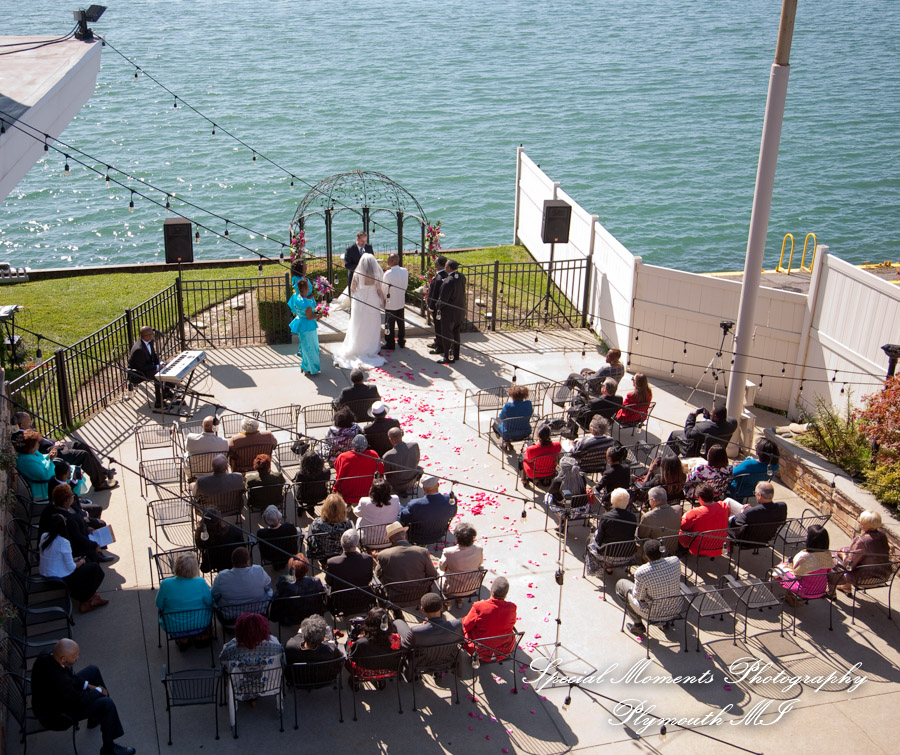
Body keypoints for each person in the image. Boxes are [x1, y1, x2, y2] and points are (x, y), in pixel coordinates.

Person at [31, 638, 135, 755]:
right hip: (57, 715)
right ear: (63, 659)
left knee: (93, 670)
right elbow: (78, 700)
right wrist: (98, 691)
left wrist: (89, 686)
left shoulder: (49, 655)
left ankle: (95, 717)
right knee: (107, 704)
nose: (77, 658)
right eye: (74, 656)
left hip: (58, 698)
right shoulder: (59, 679)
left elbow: (70, 678)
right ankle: (109, 749)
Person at [13, 412, 116, 491]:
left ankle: (101, 471)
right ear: (21, 425)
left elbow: (44, 439)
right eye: (29, 421)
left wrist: (55, 442)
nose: (31, 422)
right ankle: (99, 483)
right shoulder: (22, 438)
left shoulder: (28, 430)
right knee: (83, 455)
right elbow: (38, 448)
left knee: (80, 445)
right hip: (53, 452)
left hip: (54, 446)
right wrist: (53, 449)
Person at [39, 514, 107, 614]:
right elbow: (71, 568)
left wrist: (76, 559)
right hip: (58, 579)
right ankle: (86, 600)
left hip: (46, 574)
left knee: (87, 562)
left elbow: (56, 557)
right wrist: (81, 561)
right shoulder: (63, 542)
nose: (66, 519)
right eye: (64, 520)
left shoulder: (44, 536)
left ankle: (94, 596)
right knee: (95, 569)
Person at [615, 538, 683, 636]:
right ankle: (663, 623)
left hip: (653, 613)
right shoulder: (675, 561)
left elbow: (638, 597)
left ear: (646, 556)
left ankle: (638, 624)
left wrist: (633, 588)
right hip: (676, 608)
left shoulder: (642, 572)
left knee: (621, 585)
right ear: (662, 551)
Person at [333, 252, 386, 370]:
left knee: (358, 324)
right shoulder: (376, 273)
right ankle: (371, 347)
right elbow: (379, 290)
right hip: (373, 300)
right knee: (372, 324)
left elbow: (352, 288)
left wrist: (360, 294)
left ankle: (357, 346)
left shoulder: (357, 272)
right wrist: (383, 302)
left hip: (360, 300)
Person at [38, 483, 112, 563]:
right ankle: (97, 554)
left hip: (82, 529)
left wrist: (87, 527)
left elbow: (80, 515)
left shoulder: (68, 506)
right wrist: (94, 545)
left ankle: (99, 551)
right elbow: (78, 538)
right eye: (71, 496)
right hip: (75, 545)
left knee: (100, 524)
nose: (73, 497)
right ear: (66, 500)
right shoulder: (65, 519)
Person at [219, 613, 284, 698]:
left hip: (239, 688)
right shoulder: (277, 647)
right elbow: (283, 662)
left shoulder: (228, 650)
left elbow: (223, 665)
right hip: (269, 686)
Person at [155, 551, 213, 646]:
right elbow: (209, 602)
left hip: (173, 626)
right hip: (200, 624)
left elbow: (159, 604)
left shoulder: (166, 584)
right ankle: (200, 636)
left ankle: (183, 640)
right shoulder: (201, 582)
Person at [830, 510, 891, 595]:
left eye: (860, 521)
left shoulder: (862, 541)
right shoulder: (882, 535)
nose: (859, 523)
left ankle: (831, 592)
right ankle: (845, 587)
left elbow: (848, 565)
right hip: (883, 575)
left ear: (864, 525)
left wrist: (843, 555)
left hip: (865, 579)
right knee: (846, 549)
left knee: (832, 557)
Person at [773, 525, 833, 606]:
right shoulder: (828, 555)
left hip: (803, 591)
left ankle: (790, 598)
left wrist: (787, 564)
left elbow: (797, 574)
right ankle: (791, 597)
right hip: (821, 590)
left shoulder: (804, 557)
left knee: (780, 568)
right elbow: (828, 571)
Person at [462, 576, 517, 660]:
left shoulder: (479, 606)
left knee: (461, 624)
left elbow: (466, 624)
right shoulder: (512, 607)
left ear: (491, 591)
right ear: (506, 594)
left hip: (479, 650)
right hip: (504, 650)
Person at [345, 607, 405, 679]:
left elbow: (353, 657)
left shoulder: (361, 643)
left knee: (348, 644)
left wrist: (350, 641)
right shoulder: (396, 639)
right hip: (389, 670)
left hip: (365, 672)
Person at [270, 554, 326, 624]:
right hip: (310, 615)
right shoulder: (315, 582)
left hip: (291, 618)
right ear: (307, 569)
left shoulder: (283, 582)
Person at [677, 484, 730, 556]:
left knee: (678, 531)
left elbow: (682, 526)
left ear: (700, 498)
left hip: (699, 548)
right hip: (721, 546)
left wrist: (684, 516)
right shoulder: (724, 506)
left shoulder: (695, 513)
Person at [667, 405, 738, 458]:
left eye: (711, 413)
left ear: (716, 417)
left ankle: (669, 460)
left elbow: (689, 434)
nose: (710, 413)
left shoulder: (704, 428)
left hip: (694, 450)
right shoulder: (732, 424)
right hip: (714, 452)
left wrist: (692, 416)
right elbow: (721, 421)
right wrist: (708, 416)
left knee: (674, 434)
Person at [127, 324, 171, 410]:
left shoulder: (149, 342)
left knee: (168, 367)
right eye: (151, 334)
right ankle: (159, 402)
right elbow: (142, 367)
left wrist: (161, 362)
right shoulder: (138, 349)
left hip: (148, 367)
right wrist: (157, 367)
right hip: (138, 373)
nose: (153, 335)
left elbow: (154, 356)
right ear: (146, 336)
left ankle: (166, 391)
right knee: (158, 376)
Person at [591, 488, 639, 566]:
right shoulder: (632, 517)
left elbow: (599, 539)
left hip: (608, 554)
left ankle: (608, 565)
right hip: (626, 554)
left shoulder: (606, 517)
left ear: (612, 500)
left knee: (591, 539)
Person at [439, 522, 484, 602]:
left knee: (439, 572)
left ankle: (448, 601)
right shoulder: (479, 549)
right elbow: (480, 564)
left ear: (456, 538)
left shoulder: (448, 552)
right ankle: (460, 599)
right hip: (472, 587)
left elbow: (442, 568)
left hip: (452, 588)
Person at [333, 435, 384, 505]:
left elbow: (338, 471)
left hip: (347, 494)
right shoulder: (373, 454)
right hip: (369, 491)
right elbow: (381, 471)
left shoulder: (343, 457)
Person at [307, 493, 354, 565]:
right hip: (341, 555)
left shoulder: (317, 523)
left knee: (311, 528)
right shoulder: (347, 524)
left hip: (322, 556)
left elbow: (312, 541)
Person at [195, 506, 245, 573]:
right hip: (235, 563)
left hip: (217, 565)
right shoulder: (235, 531)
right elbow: (243, 548)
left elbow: (205, 564)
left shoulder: (202, 539)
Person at [288, 277, 322, 375]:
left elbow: (304, 301)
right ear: (306, 289)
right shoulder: (306, 303)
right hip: (308, 326)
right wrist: (319, 315)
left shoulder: (297, 298)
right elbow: (310, 316)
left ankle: (305, 366)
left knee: (305, 347)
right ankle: (311, 369)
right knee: (312, 347)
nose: (309, 289)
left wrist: (310, 297)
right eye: (308, 288)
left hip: (301, 325)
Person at [434, 259, 466, 364]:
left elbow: (443, 299)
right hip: (459, 311)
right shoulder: (461, 277)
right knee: (456, 333)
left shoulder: (448, 281)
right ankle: (455, 355)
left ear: (448, 268)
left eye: (446, 266)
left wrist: (437, 307)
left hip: (449, 313)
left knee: (447, 335)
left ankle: (448, 357)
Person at [15, 428, 59, 499]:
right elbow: (44, 475)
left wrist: (48, 455)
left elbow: (40, 459)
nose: (38, 444)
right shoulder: (26, 461)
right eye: (37, 443)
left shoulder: (33, 452)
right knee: (72, 477)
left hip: (51, 477)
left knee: (72, 470)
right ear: (31, 446)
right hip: (45, 486)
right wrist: (50, 460)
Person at [255, 505, 299, 570]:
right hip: (289, 553)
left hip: (269, 557)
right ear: (279, 516)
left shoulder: (261, 533)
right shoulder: (290, 528)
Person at [382, 427, 422, 497]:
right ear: (402, 435)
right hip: (412, 480)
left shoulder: (388, 456)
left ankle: (401, 491)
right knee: (419, 469)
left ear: (391, 439)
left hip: (397, 485)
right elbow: (417, 461)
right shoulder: (414, 446)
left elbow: (387, 473)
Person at [292, 449, 331, 516]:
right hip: (320, 495)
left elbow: (296, 482)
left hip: (303, 496)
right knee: (313, 489)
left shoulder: (300, 474)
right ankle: (310, 507)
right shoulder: (326, 472)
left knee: (295, 487)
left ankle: (301, 507)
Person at [382, 252, 409, 349]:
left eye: (388, 259)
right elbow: (405, 285)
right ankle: (401, 341)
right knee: (401, 322)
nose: (387, 261)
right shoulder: (405, 271)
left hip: (391, 302)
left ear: (392, 261)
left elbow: (384, 289)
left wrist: (383, 300)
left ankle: (390, 343)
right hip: (401, 300)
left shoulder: (388, 274)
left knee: (389, 323)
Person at [426, 255, 449, 350]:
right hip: (444, 307)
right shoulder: (446, 275)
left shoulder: (439, 278)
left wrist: (430, 307)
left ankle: (440, 346)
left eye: (436, 262)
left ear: (438, 264)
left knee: (439, 327)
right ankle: (438, 341)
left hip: (437, 307)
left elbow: (434, 294)